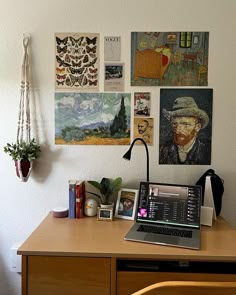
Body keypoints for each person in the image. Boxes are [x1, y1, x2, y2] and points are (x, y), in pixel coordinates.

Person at [159, 96, 211, 165]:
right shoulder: (162, 151)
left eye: (185, 124)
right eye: (174, 124)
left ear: (198, 127)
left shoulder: (206, 152)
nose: (177, 131)